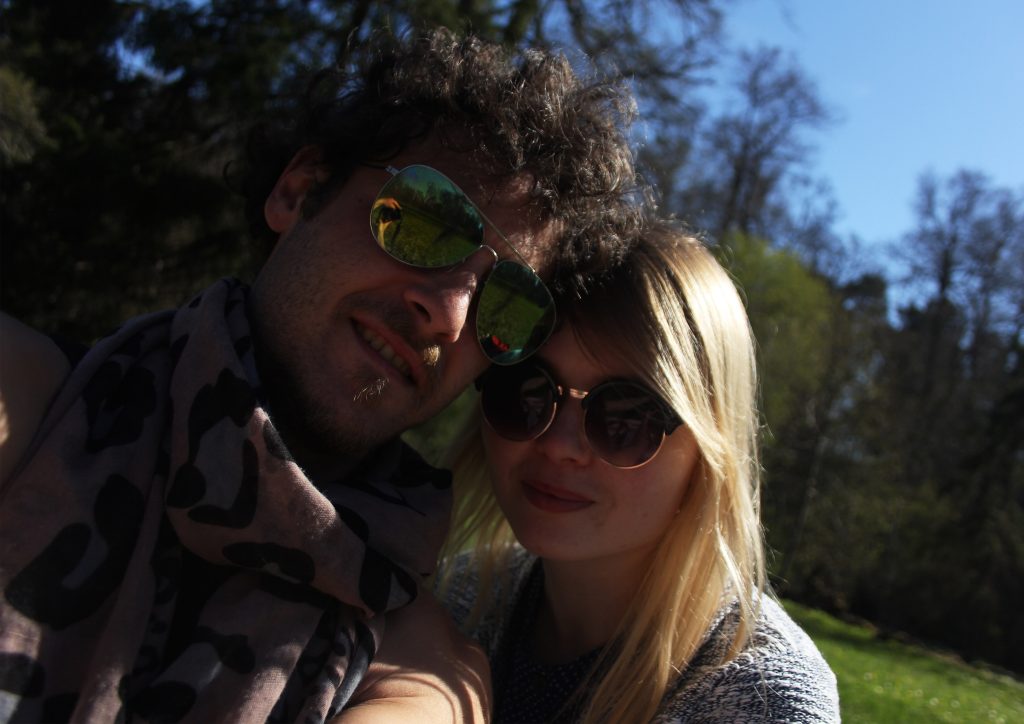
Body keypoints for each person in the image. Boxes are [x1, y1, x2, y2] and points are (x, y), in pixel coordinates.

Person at [0, 27, 644, 723]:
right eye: (427, 220)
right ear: (299, 189)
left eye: (507, 304)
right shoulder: (32, 405)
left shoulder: (423, 671)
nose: (450, 315)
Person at [438, 220, 841, 723]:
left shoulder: (765, 701)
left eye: (626, 416)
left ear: (709, 447)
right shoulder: (454, 597)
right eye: (526, 389)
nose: (559, 445)